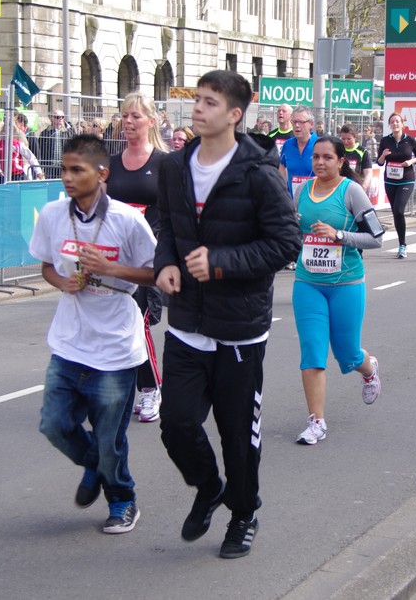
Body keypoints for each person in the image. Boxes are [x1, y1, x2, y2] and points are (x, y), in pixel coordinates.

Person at [154, 70, 301, 559]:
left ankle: (243, 513)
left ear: (235, 114)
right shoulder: (175, 166)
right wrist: (166, 263)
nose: (198, 108)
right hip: (187, 323)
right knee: (176, 422)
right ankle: (209, 487)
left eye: (210, 102)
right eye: (197, 99)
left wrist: (220, 263)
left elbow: (286, 243)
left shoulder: (258, 172)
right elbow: (168, 225)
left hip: (239, 329)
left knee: (238, 436)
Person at [29, 134, 156, 534]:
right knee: (54, 424)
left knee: (109, 438)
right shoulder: (53, 214)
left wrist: (110, 268)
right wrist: (62, 282)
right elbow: (47, 265)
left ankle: (122, 500)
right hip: (69, 342)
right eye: (63, 169)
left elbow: (158, 273)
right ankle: (95, 467)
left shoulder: (127, 220)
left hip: (115, 346)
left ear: (102, 174)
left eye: (76, 170)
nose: (67, 177)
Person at [292, 136, 383, 446]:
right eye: (316, 157)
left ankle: (369, 369)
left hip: (346, 284)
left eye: (327, 157)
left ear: (341, 161)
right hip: (308, 283)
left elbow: (377, 237)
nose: (320, 162)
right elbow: (292, 231)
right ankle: (316, 422)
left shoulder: (351, 191)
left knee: (347, 353)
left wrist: (340, 235)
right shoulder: (302, 191)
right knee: (313, 351)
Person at [106, 92, 170, 422]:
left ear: (151, 121)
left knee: (138, 322)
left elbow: (177, 212)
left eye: (136, 116)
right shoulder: (111, 163)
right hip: (114, 257)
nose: (129, 122)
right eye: (125, 115)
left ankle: (150, 389)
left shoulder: (164, 163)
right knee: (112, 324)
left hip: (148, 259)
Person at [377, 112, 416, 257]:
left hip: (406, 179)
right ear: (389, 125)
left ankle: (402, 245)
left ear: (402, 124)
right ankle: (401, 243)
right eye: (392, 122)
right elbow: (379, 162)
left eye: (397, 121)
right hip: (390, 180)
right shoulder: (385, 140)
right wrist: (383, 155)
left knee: (399, 210)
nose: (395, 124)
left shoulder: (410, 140)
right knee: (396, 212)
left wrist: (410, 161)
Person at [279, 106, 317, 200]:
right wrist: (283, 189)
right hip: (292, 202)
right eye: (294, 122)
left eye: (301, 122)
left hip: (315, 202)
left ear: (311, 124)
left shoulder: (320, 145)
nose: (296, 125)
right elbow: (282, 166)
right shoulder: (287, 145)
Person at [38, 110, 76, 179]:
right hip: (50, 166)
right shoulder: (45, 133)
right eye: (58, 117)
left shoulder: (69, 133)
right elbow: (40, 150)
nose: (60, 119)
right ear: (52, 118)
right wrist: (41, 167)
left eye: (62, 117)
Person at [339, 124, 373, 197]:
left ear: (355, 137)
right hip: (341, 189)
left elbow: (368, 172)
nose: (345, 142)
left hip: (357, 188)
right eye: (343, 139)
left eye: (349, 139)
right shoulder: (338, 150)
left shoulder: (362, 152)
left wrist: (364, 187)